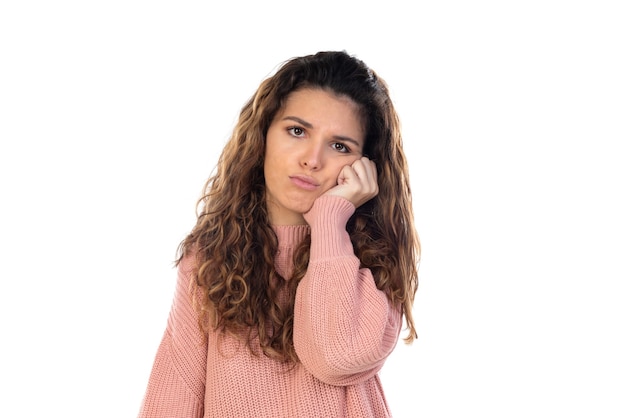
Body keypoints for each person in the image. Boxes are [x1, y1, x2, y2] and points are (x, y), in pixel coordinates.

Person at [138, 50, 420, 418]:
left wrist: (330, 223)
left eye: (340, 146)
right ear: (263, 135)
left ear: (365, 166)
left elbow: (336, 356)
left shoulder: (372, 262)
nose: (312, 159)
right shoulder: (209, 257)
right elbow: (174, 393)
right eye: (297, 130)